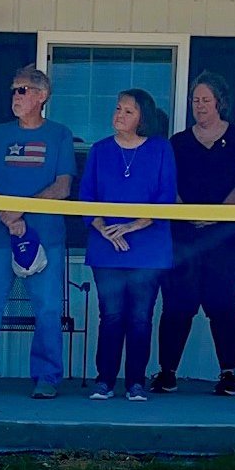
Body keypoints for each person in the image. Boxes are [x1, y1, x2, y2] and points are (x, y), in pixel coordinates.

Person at [0, 65, 75, 399]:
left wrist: (20, 210)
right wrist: (6, 214)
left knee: (48, 309)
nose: (15, 97)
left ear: (42, 96)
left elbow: (63, 186)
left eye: (22, 90)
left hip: (44, 237)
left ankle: (47, 377)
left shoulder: (60, 134)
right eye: (14, 90)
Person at [150, 72, 235, 397]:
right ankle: (167, 372)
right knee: (177, 304)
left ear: (219, 102)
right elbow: (165, 185)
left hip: (226, 239)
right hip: (183, 237)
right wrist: (189, 211)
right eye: (195, 100)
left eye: (205, 99)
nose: (199, 106)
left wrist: (216, 214)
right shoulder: (179, 142)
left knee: (223, 303)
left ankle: (229, 373)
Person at [79, 89, 177, 402]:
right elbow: (86, 197)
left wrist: (133, 225)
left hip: (148, 248)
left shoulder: (161, 149)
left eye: (128, 111)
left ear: (142, 118)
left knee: (140, 316)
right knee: (110, 315)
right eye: (117, 108)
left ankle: (136, 382)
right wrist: (105, 229)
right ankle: (105, 380)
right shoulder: (100, 150)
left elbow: (165, 196)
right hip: (106, 247)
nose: (119, 115)